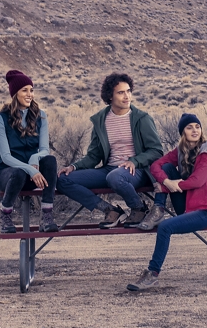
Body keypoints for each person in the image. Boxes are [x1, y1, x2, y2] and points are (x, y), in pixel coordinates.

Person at [127, 113, 207, 291]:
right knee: (167, 168)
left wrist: (166, 187)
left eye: (197, 127)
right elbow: (155, 166)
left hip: (206, 211)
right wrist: (166, 181)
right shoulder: (180, 151)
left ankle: (152, 274)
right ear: (182, 132)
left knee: (165, 227)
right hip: (187, 205)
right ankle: (158, 209)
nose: (195, 130)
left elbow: (198, 181)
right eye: (189, 127)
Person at [57, 72, 164, 228]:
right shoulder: (101, 120)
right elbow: (94, 155)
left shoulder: (142, 118)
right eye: (121, 92)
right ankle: (110, 210)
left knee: (115, 177)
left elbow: (156, 150)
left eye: (128, 91)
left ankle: (139, 208)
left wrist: (134, 161)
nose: (127, 96)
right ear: (110, 96)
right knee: (62, 179)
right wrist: (74, 166)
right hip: (109, 170)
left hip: (137, 171)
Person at [0, 70, 56, 234]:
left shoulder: (40, 116)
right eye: (24, 90)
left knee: (50, 160)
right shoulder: (1, 119)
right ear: (15, 94)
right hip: (7, 175)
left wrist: (34, 159)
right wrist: (30, 169)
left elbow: (44, 150)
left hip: (32, 174)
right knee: (18, 172)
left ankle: (46, 216)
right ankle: (4, 215)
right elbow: (6, 157)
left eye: (31, 90)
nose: (30, 94)